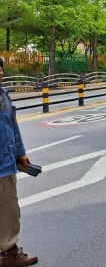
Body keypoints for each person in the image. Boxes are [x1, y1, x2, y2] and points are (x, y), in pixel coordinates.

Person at [0, 58, 38, 266]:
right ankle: (8, 254)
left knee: (9, 210)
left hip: (6, 164)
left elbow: (13, 127)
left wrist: (20, 153)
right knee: (7, 212)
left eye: (0, 69)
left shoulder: (3, 95)